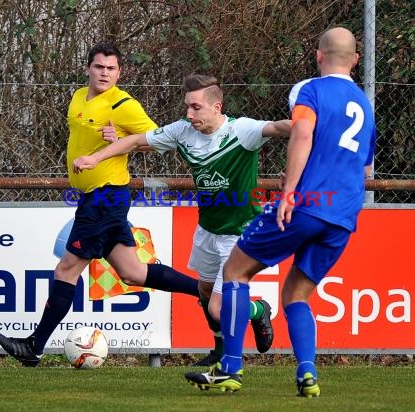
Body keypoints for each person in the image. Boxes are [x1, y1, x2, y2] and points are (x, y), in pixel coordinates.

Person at [184, 27, 377, 396]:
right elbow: (365, 166)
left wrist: (289, 191)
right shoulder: (364, 104)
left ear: (319, 56)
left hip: (306, 204)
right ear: (355, 59)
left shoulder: (312, 90)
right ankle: (307, 375)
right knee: (297, 293)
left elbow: (302, 133)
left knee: (236, 271)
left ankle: (230, 368)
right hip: (344, 214)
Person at [0, 42, 200, 366]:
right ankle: (205, 291)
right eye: (99, 67)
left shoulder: (123, 104)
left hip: (105, 196)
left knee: (67, 268)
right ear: (88, 68)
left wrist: (120, 142)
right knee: (132, 272)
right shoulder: (78, 96)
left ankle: (34, 346)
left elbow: (160, 141)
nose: (104, 73)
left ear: (120, 72)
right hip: (99, 197)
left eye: (111, 68)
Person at [73, 74, 292, 366]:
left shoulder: (241, 130)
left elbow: (279, 127)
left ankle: (256, 310)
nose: (189, 114)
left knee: (216, 307)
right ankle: (218, 349)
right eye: (187, 107)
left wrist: (312, 123)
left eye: (196, 107)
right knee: (203, 291)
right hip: (208, 229)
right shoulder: (183, 131)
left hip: (238, 234)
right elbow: (136, 140)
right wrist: (96, 159)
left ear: (217, 107)